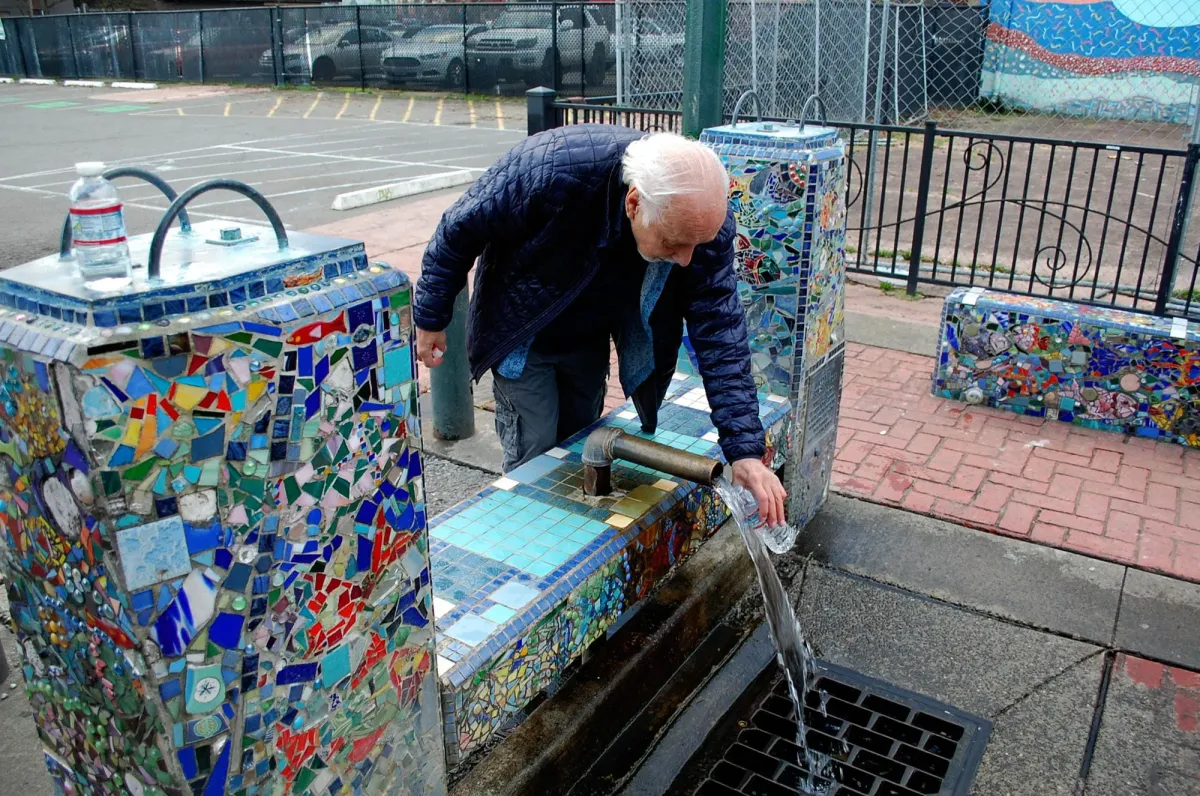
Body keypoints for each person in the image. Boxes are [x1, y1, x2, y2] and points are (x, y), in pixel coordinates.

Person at [414, 125, 788, 527]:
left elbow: (721, 332)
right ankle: (533, 547)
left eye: (694, 246)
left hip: (589, 334)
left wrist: (744, 451)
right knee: (535, 455)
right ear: (633, 203)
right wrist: (432, 317)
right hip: (525, 331)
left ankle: (568, 546)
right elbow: (459, 228)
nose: (684, 260)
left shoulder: (699, 222)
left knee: (580, 452)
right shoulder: (555, 167)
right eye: (672, 244)